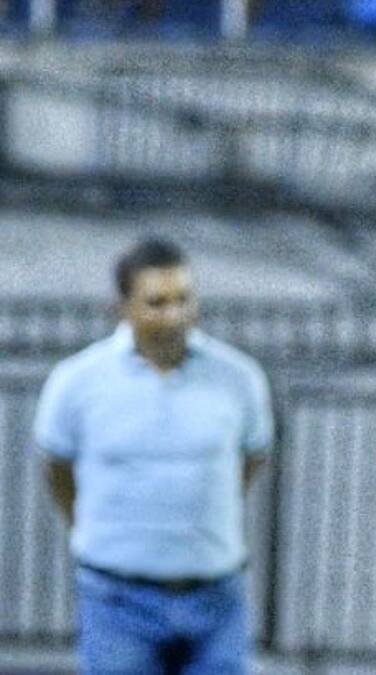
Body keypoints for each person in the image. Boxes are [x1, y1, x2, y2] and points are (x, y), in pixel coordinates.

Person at [34, 237, 274, 675]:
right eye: (157, 303)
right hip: (117, 600)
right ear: (122, 307)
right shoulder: (77, 382)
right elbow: (58, 469)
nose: (174, 315)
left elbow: (251, 459)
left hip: (216, 599)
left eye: (184, 299)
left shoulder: (239, 378)